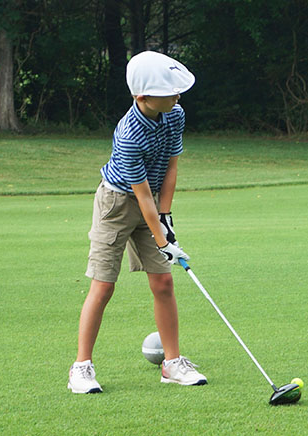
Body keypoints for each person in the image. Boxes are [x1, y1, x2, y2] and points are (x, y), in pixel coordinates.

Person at [68, 51, 207, 394]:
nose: (177, 95)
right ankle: (81, 368)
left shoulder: (175, 114)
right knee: (103, 286)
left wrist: (166, 218)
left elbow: (171, 166)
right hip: (116, 204)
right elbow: (140, 195)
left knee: (163, 283)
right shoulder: (129, 133)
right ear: (142, 97)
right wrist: (161, 238)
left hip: (153, 202)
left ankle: (171, 363)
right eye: (170, 90)